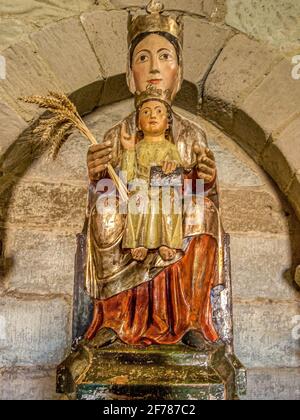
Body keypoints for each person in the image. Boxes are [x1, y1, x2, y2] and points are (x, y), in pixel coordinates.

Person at [84, 0, 225, 348]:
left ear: (179, 70)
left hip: (173, 209)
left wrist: (205, 179)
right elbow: (105, 189)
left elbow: (202, 191)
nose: (154, 67)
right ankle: (115, 319)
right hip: (133, 210)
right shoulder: (117, 134)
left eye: (165, 56)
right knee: (104, 213)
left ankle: (190, 318)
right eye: (143, 57)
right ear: (130, 72)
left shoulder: (192, 134)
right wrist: (99, 174)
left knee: (201, 211)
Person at [121, 89, 183, 262]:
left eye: (158, 111)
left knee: (170, 199)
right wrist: (128, 150)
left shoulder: (170, 148)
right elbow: (127, 176)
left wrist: (172, 166)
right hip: (141, 187)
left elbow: (179, 172)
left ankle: (167, 242)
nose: (152, 116)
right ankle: (139, 242)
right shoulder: (137, 147)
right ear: (139, 124)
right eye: (146, 112)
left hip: (163, 188)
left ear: (168, 123)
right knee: (138, 200)